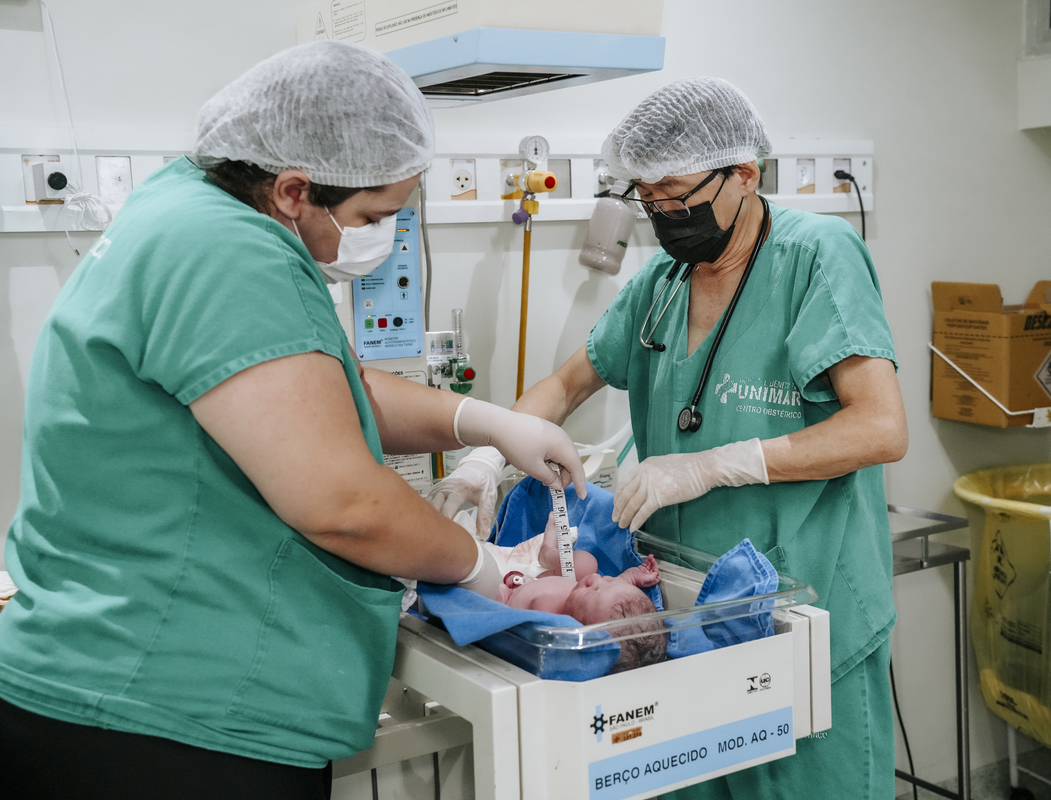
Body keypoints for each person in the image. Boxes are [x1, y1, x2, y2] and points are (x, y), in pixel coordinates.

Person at [0, 41, 585, 800]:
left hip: (110, 674)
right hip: (166, 712)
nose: (382, 235)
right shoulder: (229, 254)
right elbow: (345, 505)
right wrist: (482, 566)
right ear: (292, 190)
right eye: (374, 216)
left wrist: (483, 421)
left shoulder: (183, 206)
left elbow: (318, 391)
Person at [431, 76, 908, 799]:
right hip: (682, 617)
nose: (663, 215)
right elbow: (566, 385)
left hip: (803, 607)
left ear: (744, 173)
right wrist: (488, 455)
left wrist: (720, 464)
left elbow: (880, 426)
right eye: (647, 199)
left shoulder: (817, 256)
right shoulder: (663, 281)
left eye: (677, 197)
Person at [456, 514, 666, 673]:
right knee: (587, 563)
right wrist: (629, 578)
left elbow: (511, 625)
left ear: (577, 628)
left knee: (482, 586)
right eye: (608, 580)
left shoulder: (550, 622)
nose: (596, 579)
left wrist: (506, 589)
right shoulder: (601, 602)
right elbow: (611, 598)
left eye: (590, 591)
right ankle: (548, 552)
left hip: (509, 591)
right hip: (544, 574)